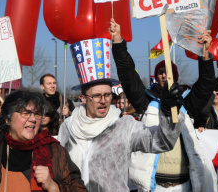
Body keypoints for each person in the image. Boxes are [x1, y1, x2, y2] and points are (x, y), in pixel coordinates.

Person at [58, 37, 185, 191]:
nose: (104, 100)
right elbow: (59, 169)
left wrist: (169, 112)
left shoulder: (124, 126)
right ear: (83, 99)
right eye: (97, 96)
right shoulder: (68, 127)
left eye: (107, 94)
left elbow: (162, 141)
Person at [109, 19, 218, 191]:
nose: (164, 75)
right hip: (155, 186)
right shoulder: (145, 101)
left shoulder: (186, 103)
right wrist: (118, 42)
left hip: (184, 185)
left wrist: (204, 54)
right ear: (156, 76)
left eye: (168, 72)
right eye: (160, 72)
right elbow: (128, 76)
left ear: (175, 77)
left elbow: (206, 84)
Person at [0, 90, 87, 192]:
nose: (32, 119)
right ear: (7, 119)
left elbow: (80, 189)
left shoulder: (55, 151)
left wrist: (54, 187)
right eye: (25, 113)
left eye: (37, 114)